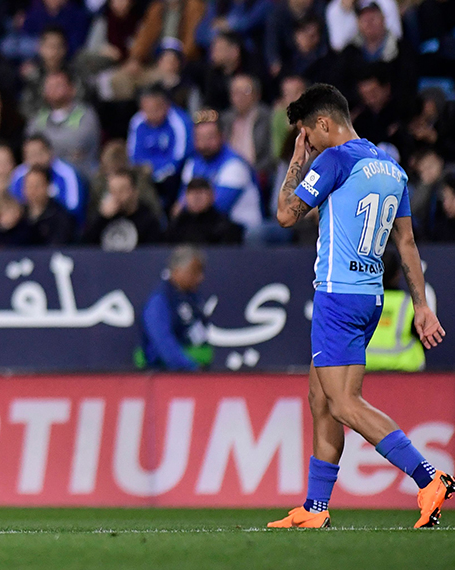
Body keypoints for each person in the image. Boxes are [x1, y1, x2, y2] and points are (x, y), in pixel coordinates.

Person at [270, 83, 452, 529]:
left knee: (344, 403)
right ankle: (315, 508)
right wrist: (422, 306)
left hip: (337, 294)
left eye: (307, 135)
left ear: (324, 123)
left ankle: (429, 477)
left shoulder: (334, 159)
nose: (308, 144)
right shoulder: (390, 167)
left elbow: (286, 214)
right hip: (369, 295)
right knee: (321, 397)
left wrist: (297, 162)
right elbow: (406, 243)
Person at [179, 112, 263, 231]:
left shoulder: (235, 165)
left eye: (210, 137)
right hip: (207, 229)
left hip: (242, 229)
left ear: (222, 136)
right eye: (199, 138)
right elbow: (180, 204)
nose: (204, 144)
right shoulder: (192, 164)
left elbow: (217, 208)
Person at [137, 246, 212, 370]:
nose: (200, 278)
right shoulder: (160, 300)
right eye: (195, 272)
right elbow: (163, 342)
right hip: (167, 375)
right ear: (178, 270)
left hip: (198, 372)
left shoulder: (192, 298)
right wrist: (191, 368)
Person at [365, 249, 427, 371]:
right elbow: (425, 338)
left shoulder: (362, 302)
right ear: (397, 274)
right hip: (405, 369)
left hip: (366, 367)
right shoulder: (409, 304)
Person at [83, 170, 163, 250]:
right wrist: (102, 218)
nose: (116, 196)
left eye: (121, 190)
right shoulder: (102, 218)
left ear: (134, 191)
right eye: (112, 191)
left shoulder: (148, 220)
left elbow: (152, 251)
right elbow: (84, 247)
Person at [166, 177, 244, 244]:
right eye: (192, 193)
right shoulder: (177, 224)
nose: (196, 198)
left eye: (201, 193)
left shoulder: (224, 226)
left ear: (212, 196)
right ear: (186, 197)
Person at [22, 165, 77, 245]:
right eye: (29, 186)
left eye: (37, 186)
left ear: (47, 186)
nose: (32, 191)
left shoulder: (61, 217)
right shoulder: (19, 215)